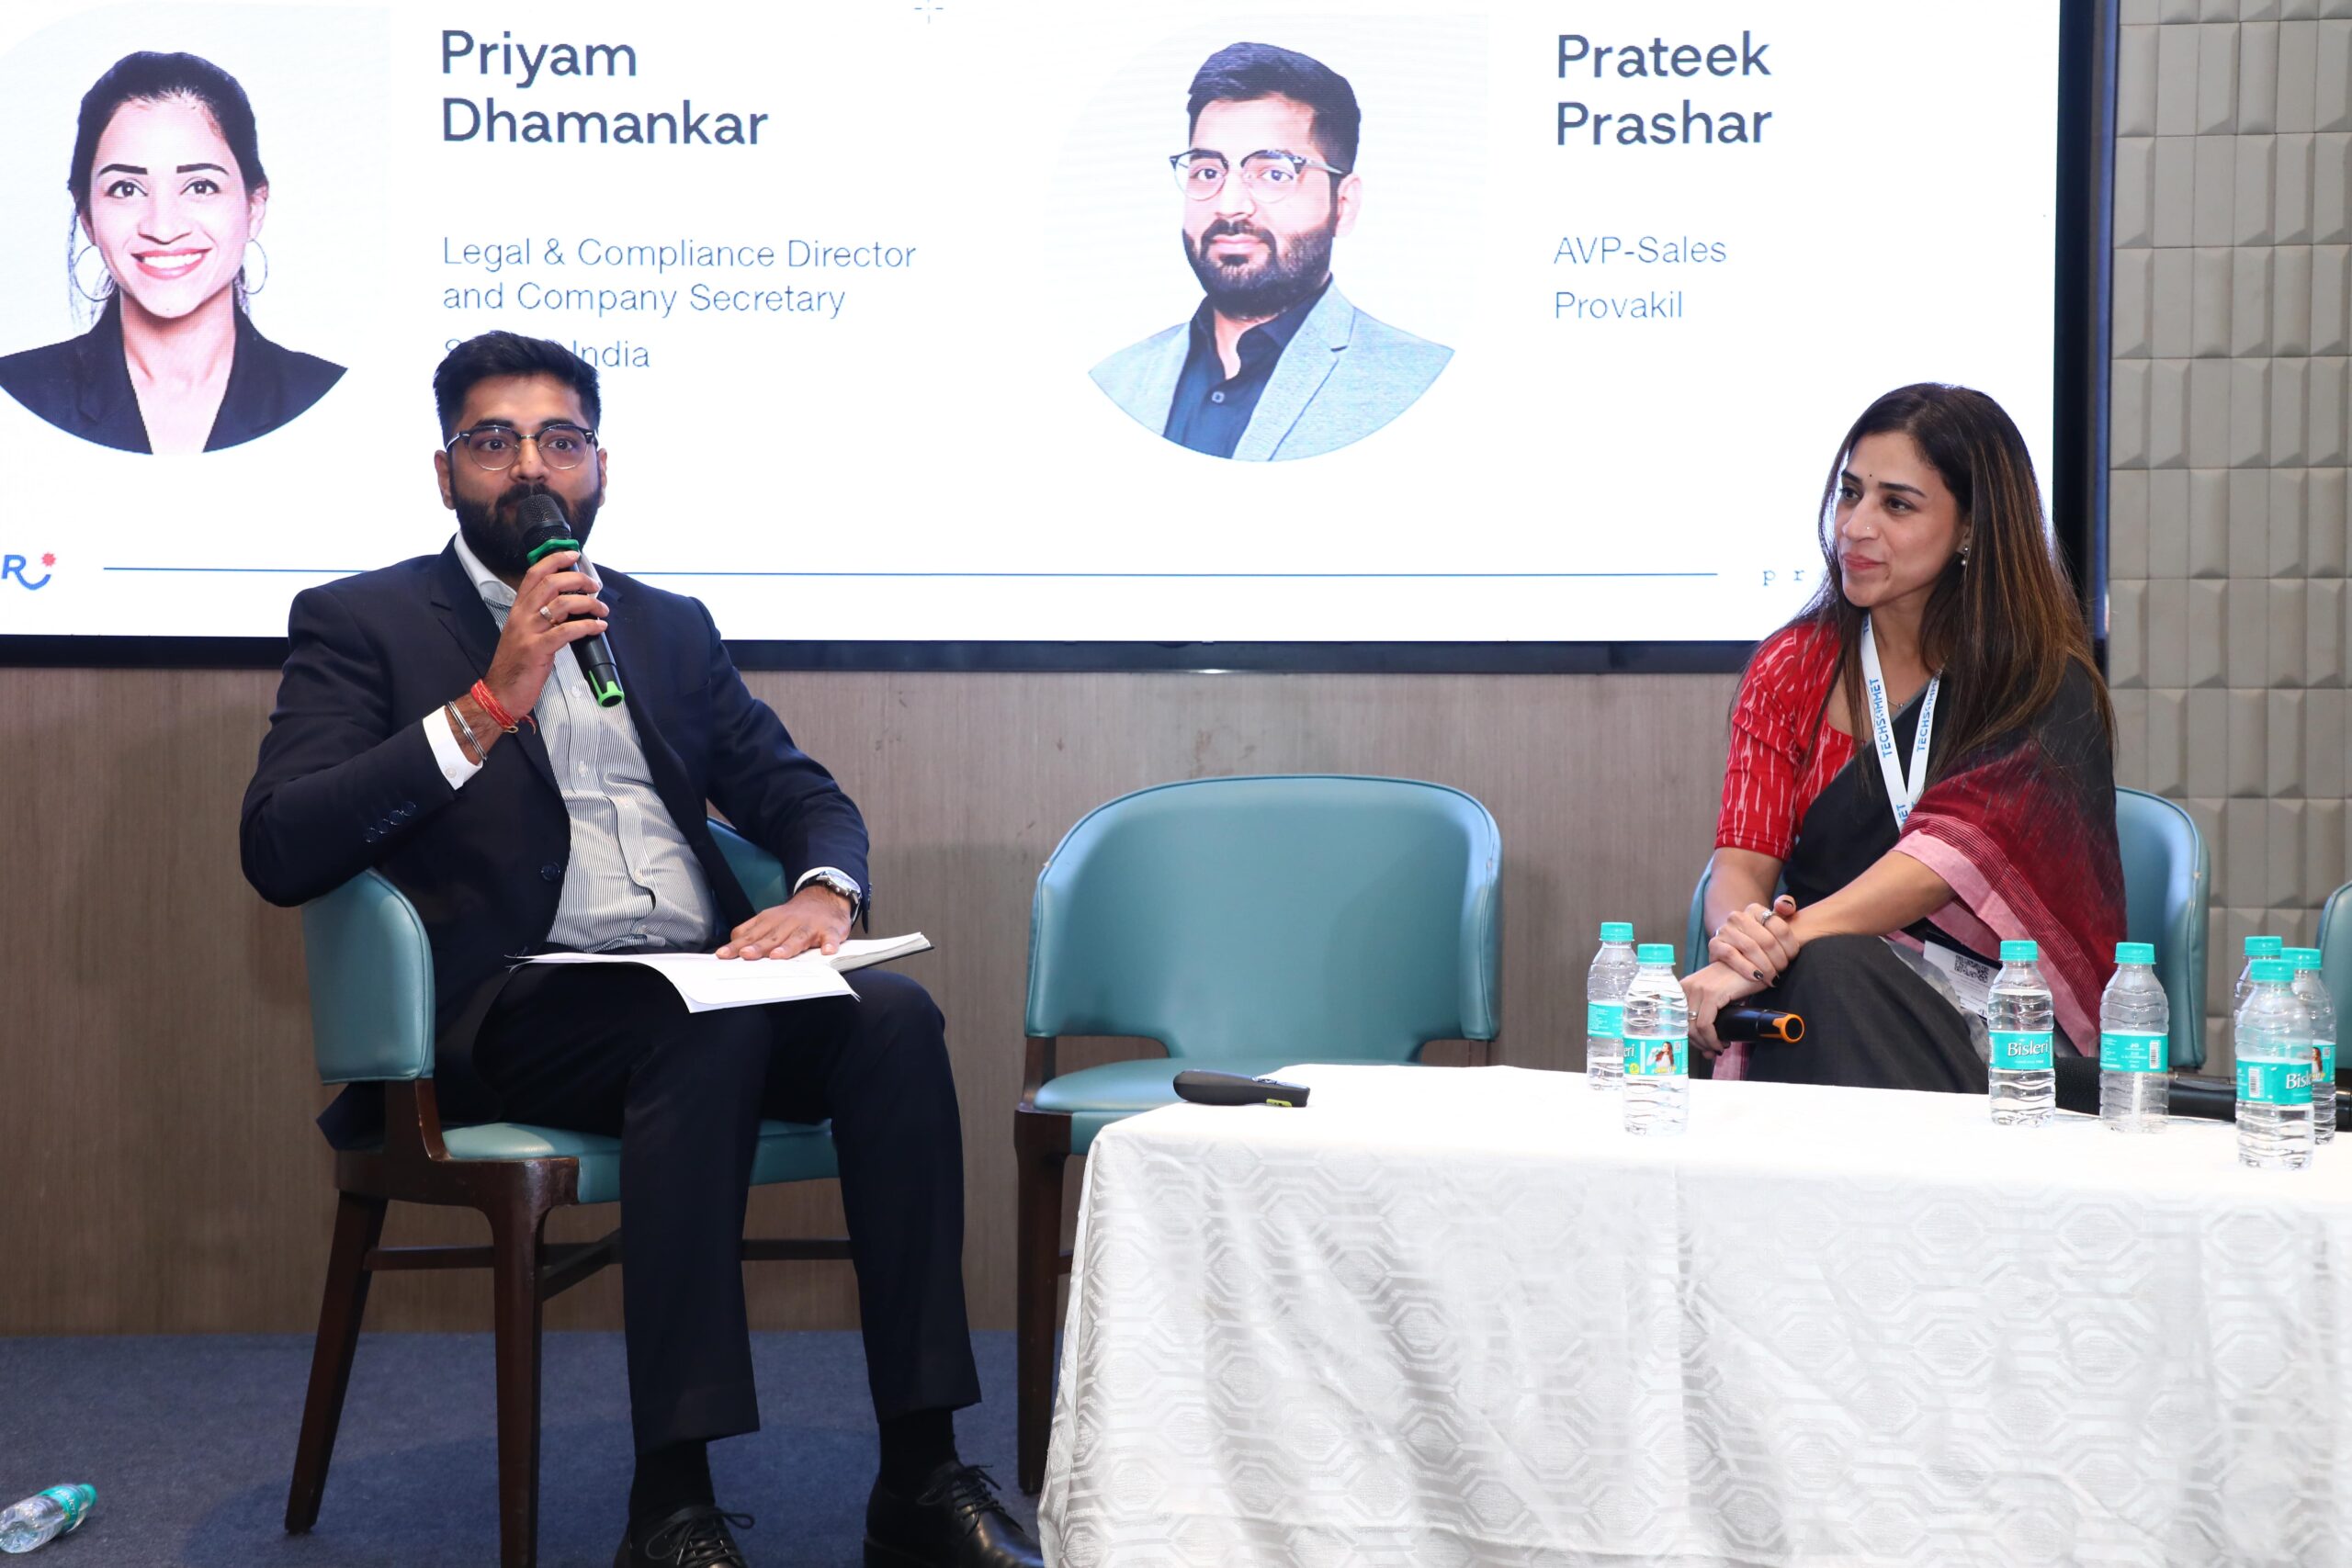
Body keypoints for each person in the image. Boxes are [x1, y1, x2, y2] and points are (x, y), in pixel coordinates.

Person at [239, 333, 1039, 1568]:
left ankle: (921, 1473)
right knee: (696, 1030)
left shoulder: (663, 625)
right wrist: (486, 705)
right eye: (493, 440)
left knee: (892, 1018)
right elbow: (282, 843)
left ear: (598, 467)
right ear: (444, 473)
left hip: (697, 987)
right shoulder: (364, 622)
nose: (530, 466)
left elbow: (801, 794)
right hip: (512, 1010)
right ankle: (672, 1501)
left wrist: (824, 895)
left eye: (559, 440)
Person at [1686, 383, 2124, 1089]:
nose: (1856, 526)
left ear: (1972, 526)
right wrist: (1748, 943)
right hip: (1820, 984)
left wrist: (1790, 939)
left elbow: (1941, 864)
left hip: (2004, 1029)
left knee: (1828, 968)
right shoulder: (1791, 668)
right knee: (1815, 978)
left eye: (1897, 504)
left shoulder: (2040, 683)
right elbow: (1741, 860)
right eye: (1849, 493)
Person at [1090, 40, 1451, 461]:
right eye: (1208, 171)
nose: (1229, 205)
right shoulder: (1113, 383)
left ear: (1343, 205)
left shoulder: (1426, 386)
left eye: (1274, 173)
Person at [0, 51, 341, 454]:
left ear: (253, 207)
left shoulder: (331, 397)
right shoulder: (14, 391)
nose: (163, 228)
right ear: (87, 215)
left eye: (200, 187)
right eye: (126, 189)